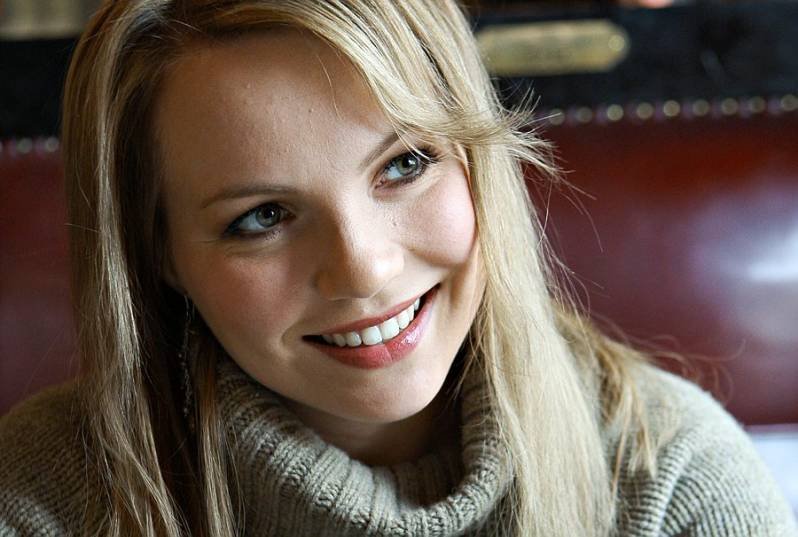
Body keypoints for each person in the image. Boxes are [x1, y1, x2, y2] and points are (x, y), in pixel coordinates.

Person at [0, 1, 795, 536]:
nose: (364, 269)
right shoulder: (39, 499)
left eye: (405, 164)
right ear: (162, 256)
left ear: (481, 163)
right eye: (263, 217)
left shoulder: (674, 483)